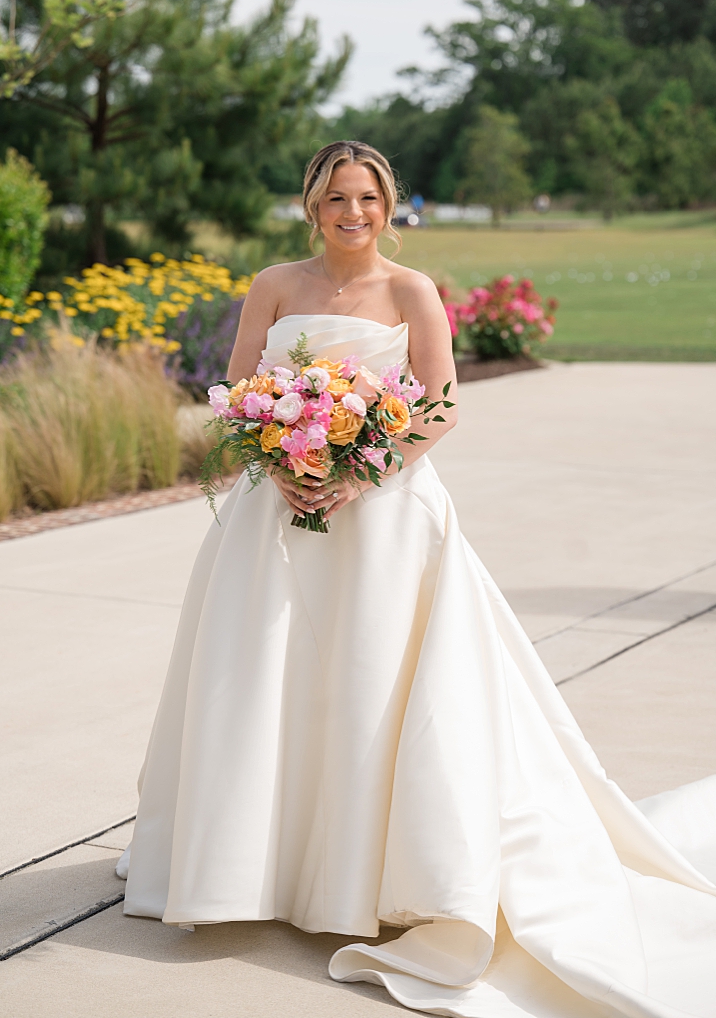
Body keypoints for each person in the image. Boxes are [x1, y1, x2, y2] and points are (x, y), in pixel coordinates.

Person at [116, 140, 716, 1016]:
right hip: (274, 510)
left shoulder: (412, 291)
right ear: (310, 204)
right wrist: (275, 451)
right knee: (259, 680)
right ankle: (249, 862)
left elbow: (438, 402)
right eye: (335, 198)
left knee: (368, 688)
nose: (351, 212)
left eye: (367, 197)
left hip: (386, 513)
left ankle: (357, 877)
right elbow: (241, 386)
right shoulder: (274, 285)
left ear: (388, 205)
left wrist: (360, 469)